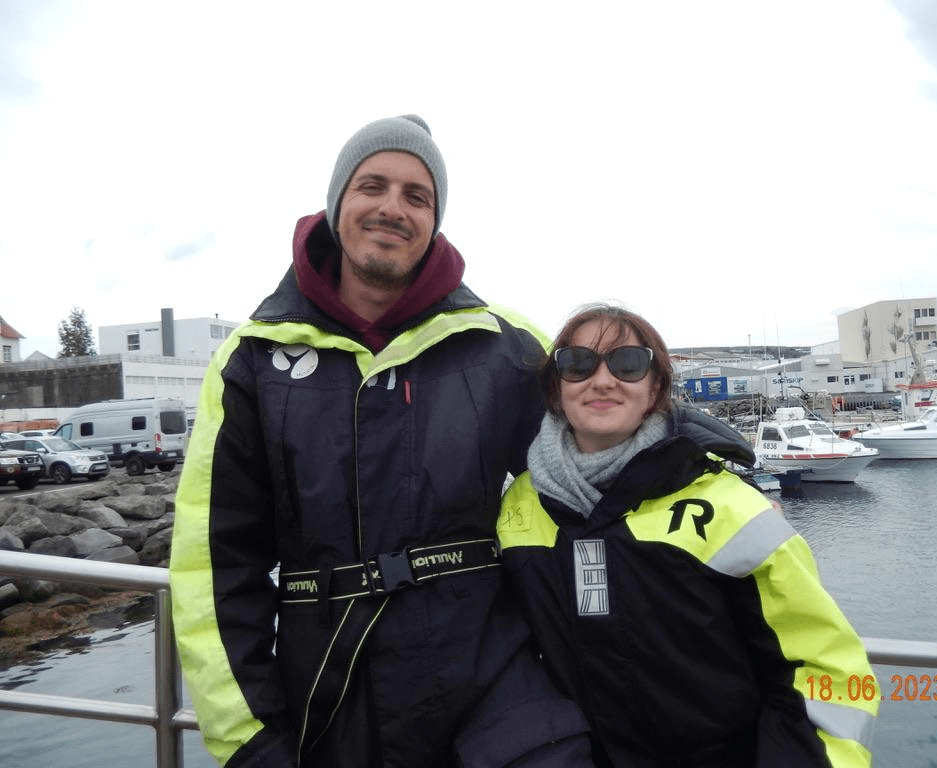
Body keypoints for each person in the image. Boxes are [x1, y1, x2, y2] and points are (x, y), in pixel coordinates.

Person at [169, 115, 594, 768]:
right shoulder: (250, 360)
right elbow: (212, 567)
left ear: (434, 221)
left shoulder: (503, 345)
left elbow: (613, 439)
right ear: (339, 202)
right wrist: (249, 740)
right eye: (373, 185)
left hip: (499, 688)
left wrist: (707, 460)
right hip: (330, 699)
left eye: (417, 196)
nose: (393, 208)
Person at [497, 304, 879, 767]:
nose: (602, 380)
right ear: (556, 386)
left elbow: (828, 669)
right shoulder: (517, 505)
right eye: (578, 363)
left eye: (628, 363)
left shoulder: (730, 508)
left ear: (655, 388)